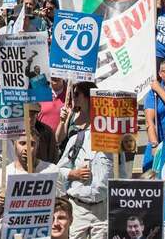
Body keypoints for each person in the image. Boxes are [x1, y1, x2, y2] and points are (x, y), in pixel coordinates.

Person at [56, 85, 113, 239]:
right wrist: (73, 173)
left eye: (77, 96)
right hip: (78, 209)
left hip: (103, 211)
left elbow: (121, 177)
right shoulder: (77, 139)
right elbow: (58, 170)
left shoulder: (114, 145)